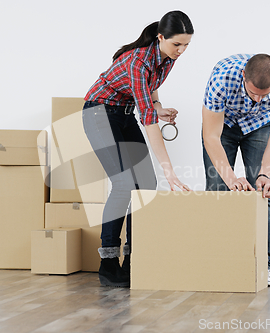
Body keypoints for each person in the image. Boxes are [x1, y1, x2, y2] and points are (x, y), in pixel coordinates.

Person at [82, 11, 194, 287]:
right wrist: (169, 171)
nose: (181, 51)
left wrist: (158, 108)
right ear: (160, 38)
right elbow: (148, 122)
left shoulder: (167, 59)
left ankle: (133, 260)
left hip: (124, 112)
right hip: (98, 113)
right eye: (176, 44)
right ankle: (108, 263)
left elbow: (150, 89)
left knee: (145, 183)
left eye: (186, 45)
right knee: (123, 185)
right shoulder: (137, 61)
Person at [202, 53, 270, 287]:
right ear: (243, 75)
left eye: (263, 95)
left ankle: (264, 264)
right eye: (252, 92)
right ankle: (217, 261)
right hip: (222, 126)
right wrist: (231, 177)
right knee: (218, 188)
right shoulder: (221, 80)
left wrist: (265, 175)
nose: (257, 99)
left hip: (259, 127)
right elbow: (211, 136)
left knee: (263, 191)